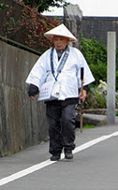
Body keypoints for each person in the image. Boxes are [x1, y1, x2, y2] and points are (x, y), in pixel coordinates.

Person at [26, 24, 95, 161]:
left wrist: (84, 89)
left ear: (67, 41)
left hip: (69, 93)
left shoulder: (76, 54)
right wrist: (34, 85)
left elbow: (83, 73)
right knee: (53, 124)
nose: (58, 42)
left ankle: (68, 147)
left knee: (67, 120)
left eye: (61, 39)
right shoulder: (47, 55)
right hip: (51, 94)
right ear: (53, 40)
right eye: (56, 39)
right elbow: (38, 71)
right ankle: (55, 151)